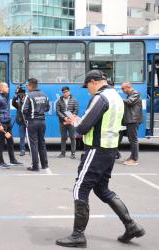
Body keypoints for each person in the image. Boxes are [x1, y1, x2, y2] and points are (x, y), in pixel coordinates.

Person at [56, 70, 145, 248]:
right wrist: (79, 121)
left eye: (87, 85)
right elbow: (100, 123)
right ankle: (131, 225)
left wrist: (73, 120)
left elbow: (83, 128)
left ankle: (78, 235)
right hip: (110, 149)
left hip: (96, 150)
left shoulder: (100, 97)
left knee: (80, 189)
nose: (87, 89)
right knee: (102, 189)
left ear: (94, 82)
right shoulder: (116, 97)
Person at [22, 78, 50, 171]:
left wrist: (31, 113)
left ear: (30, 85)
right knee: (42, 143)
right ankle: (44, 164)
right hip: (42, 122)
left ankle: (35, 166)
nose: (26, 87)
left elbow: (23, 110)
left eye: (27, 85)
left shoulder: (29, 95)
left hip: (32, 122)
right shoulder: (44, 95)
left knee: (33, 144)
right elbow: (47, 108)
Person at [0, 82, 22, 168]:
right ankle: (0, 162)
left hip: (8, 123)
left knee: (10, 141)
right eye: (6, 87)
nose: (8, 88)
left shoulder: (4, 97)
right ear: (1, 88)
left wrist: (16, 94)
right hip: (2, 124)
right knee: (1, 143)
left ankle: (12, 160)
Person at [121, 81, 143, 166]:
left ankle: (134, 159)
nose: (123, 90)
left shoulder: (135, 93)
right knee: (131, 139)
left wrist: (118, 99)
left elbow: (129, 102)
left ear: (128, 87)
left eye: (123, 88)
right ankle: (132, 156)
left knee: (133, 140)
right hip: (131, 120)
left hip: (133, 120)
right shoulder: (131, 94)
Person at [56, 86, 79, 159]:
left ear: (69, 92)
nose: (65, 93)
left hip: (71, 121)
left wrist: (72, 116)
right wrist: (64, 117)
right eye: (63, 92)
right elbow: (57, 111)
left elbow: (76, 109)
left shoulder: (74, 100)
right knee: (63, 138)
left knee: (72, 137)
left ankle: (73, 153)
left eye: (66, 92)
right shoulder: (59, 101)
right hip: (62, 122)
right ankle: (63, 153)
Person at [12, 84, 27, 156]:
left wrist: (25, 99)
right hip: (21, 121)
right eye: (21, 96)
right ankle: (22, 150)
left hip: (28, 121)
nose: (22, 97)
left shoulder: (28, 101)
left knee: (31, 137)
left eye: (23, 95)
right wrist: (16, 94)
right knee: (22, 137)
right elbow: (13, 103)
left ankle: (33, 149)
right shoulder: (18, 103)